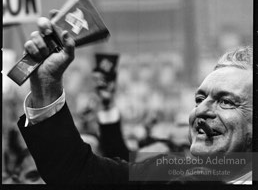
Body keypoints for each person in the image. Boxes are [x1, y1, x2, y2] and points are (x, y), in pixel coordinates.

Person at [17, 17, 253, 184]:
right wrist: (47, 83)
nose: (202, 110)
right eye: (199, 99)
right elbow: (75, 173)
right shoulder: (164, 173)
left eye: (226, 101)